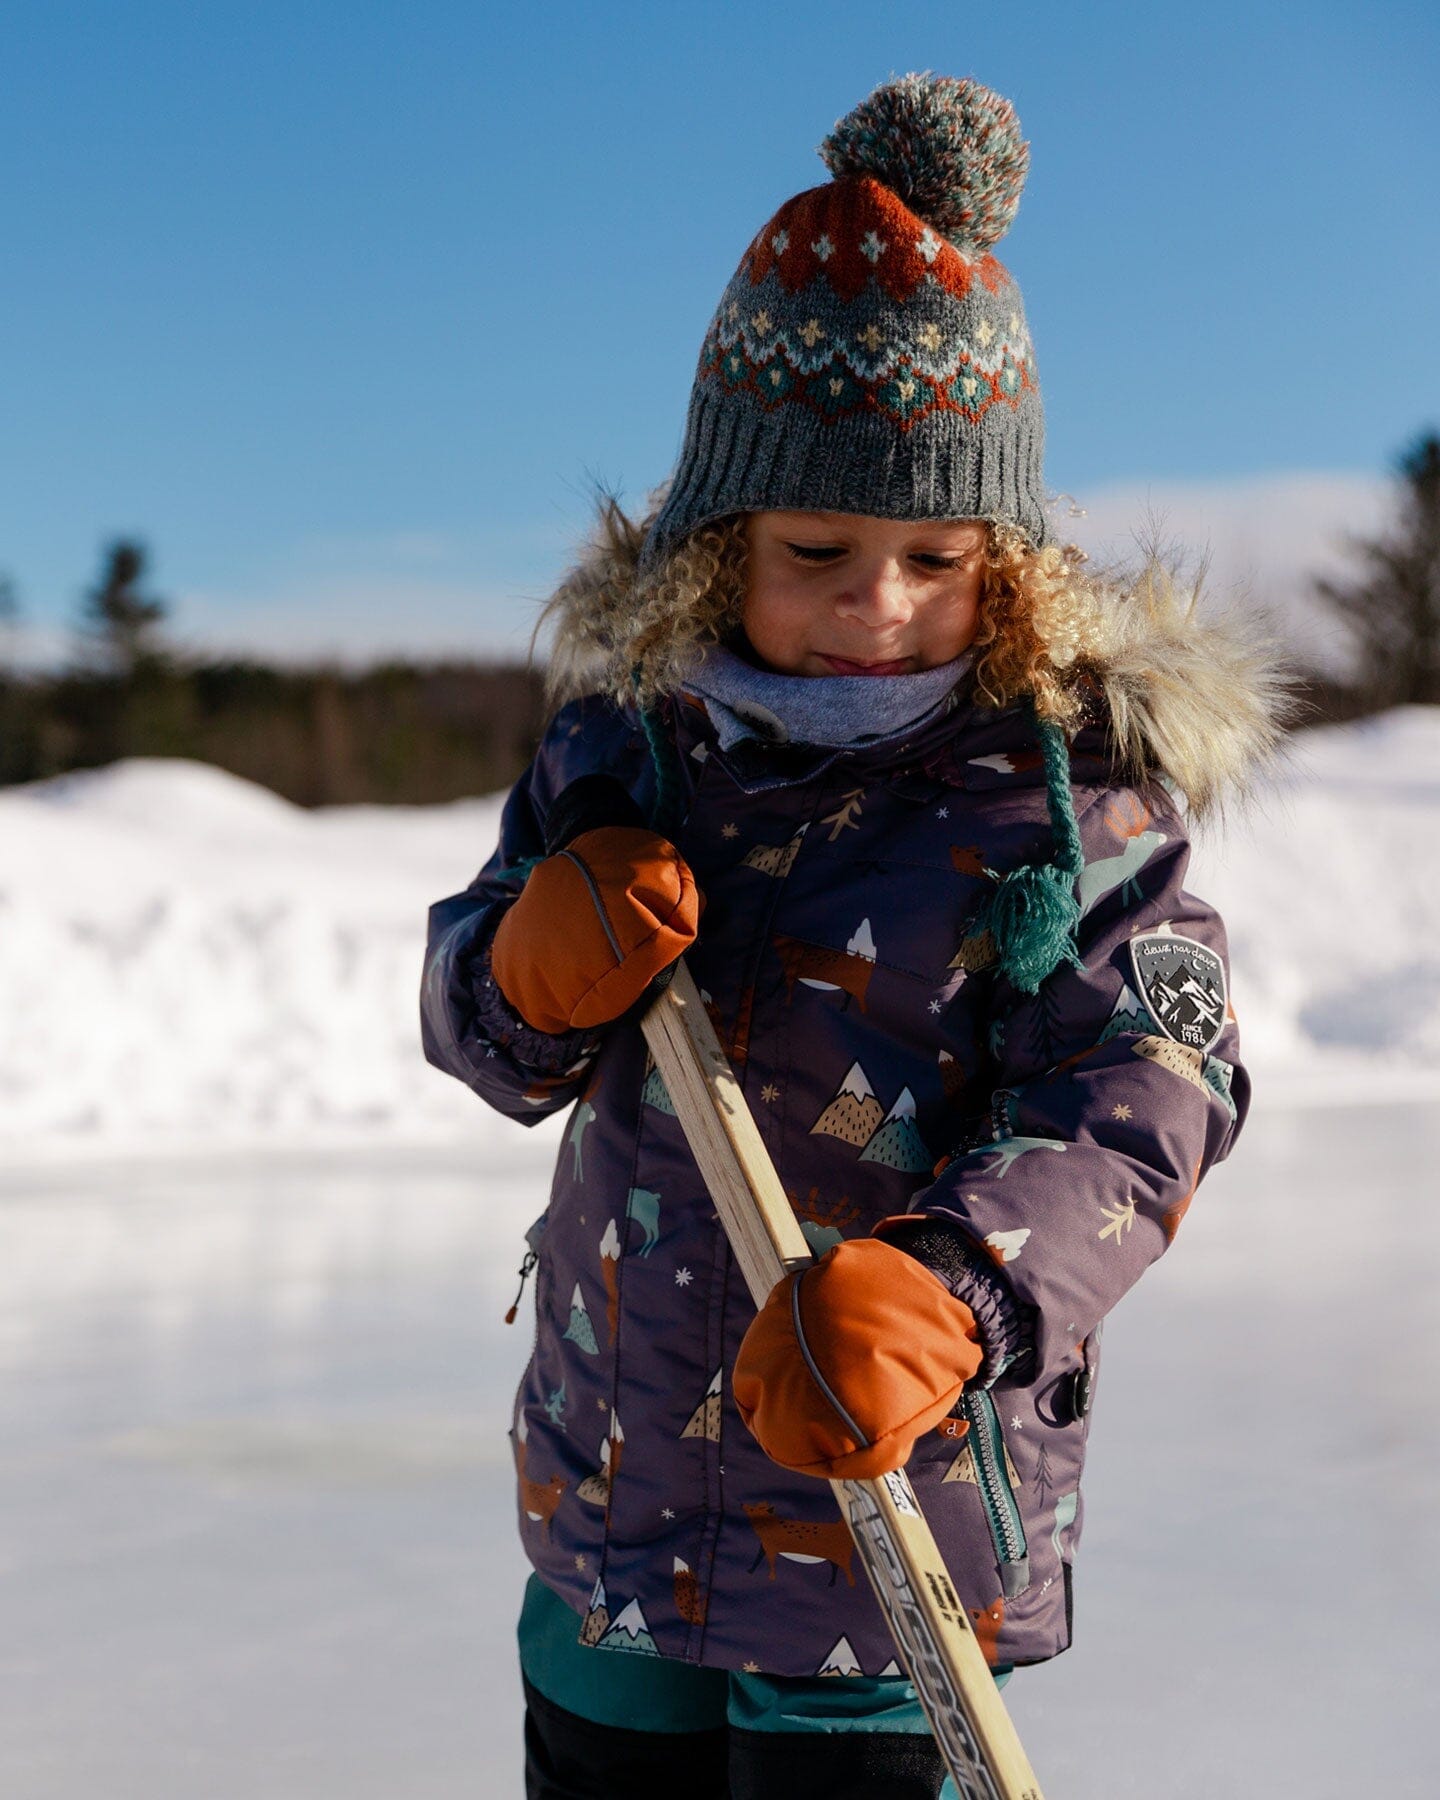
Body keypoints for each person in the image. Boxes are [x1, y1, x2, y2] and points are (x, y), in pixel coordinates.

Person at [421, 73, 1284, 1800]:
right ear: (718, 541)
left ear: (1005, 564)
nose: (874, 604)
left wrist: (960, 1287)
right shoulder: (629, 753)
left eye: (936, 557)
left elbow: (1149, 1090)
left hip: (888, 1532)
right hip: (615, 1495)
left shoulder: (1062, 804)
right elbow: (480, 1027)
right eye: (816, 546)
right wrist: (519, 972)